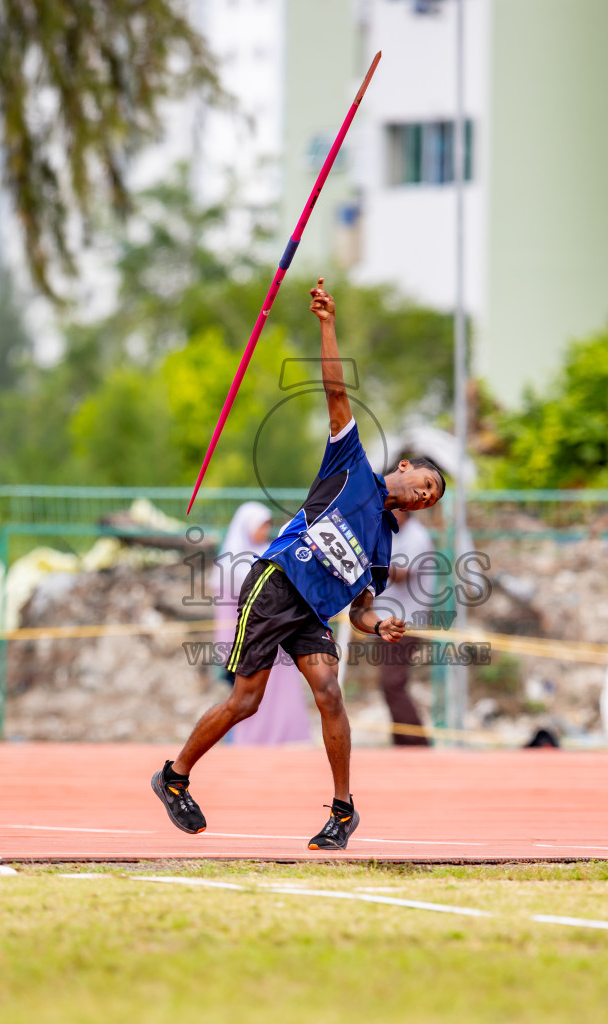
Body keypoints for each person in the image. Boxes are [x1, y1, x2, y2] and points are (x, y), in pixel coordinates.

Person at [152, 278, 446, 850]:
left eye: (430, 498)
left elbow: (361, 609)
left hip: (314, 612)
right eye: (424, 483)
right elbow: (336, 392)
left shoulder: (383, 546)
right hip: (276, 583)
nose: (422, 496)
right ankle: (174, 776)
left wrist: (378, 622)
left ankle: (343, 810)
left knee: (329, 693)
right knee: (246, 701)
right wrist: (327, 324)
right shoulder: (351, 466)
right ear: (406, 467)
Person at [212, 501, 312, 745]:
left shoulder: (269, 552)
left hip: (275, 636)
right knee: (243, 694)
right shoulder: (231, 561)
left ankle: (280, 737)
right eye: (262, 525)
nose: (265, 530)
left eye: (268, 525)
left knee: (274, 692)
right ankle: (242, 741)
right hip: (246, 640)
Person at [373, 508, 435, 746]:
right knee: (391, 684)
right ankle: (404, 741)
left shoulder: (415, 536)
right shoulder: (397, 535)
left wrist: (368, 561)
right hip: (390, 620)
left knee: (392, 683)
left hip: (405, 622)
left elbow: (400, 575)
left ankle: (415, 743)